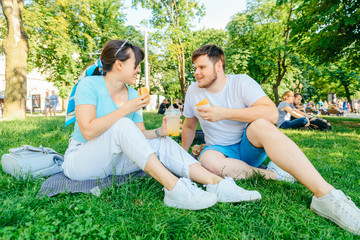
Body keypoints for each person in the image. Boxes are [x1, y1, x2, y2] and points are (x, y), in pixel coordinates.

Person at [62, 40, 262, 211]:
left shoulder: (132, 94)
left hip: (115, 162)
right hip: (82, 161)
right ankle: (174, 188)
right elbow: (88, 131)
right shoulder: (89, 85)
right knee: (123, 124)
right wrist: (126, 109)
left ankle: (216, 183)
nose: (139, 69)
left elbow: (137, 134)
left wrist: (159, 132)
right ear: (119, 64)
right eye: (136, 64)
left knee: (163, 142)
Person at [181, 44, 360, 235]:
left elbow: (271, 114)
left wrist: (223, 113)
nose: (196, 73)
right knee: (207, 160)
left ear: (218, 66)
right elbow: (189, 125)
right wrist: (182, 154)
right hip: (219, 150)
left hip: (248, 144)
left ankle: (327, 196)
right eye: (195, 68)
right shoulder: (193, 91)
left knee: (261, 124)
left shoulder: (241, 82)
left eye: (202, 68)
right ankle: (274, 174)